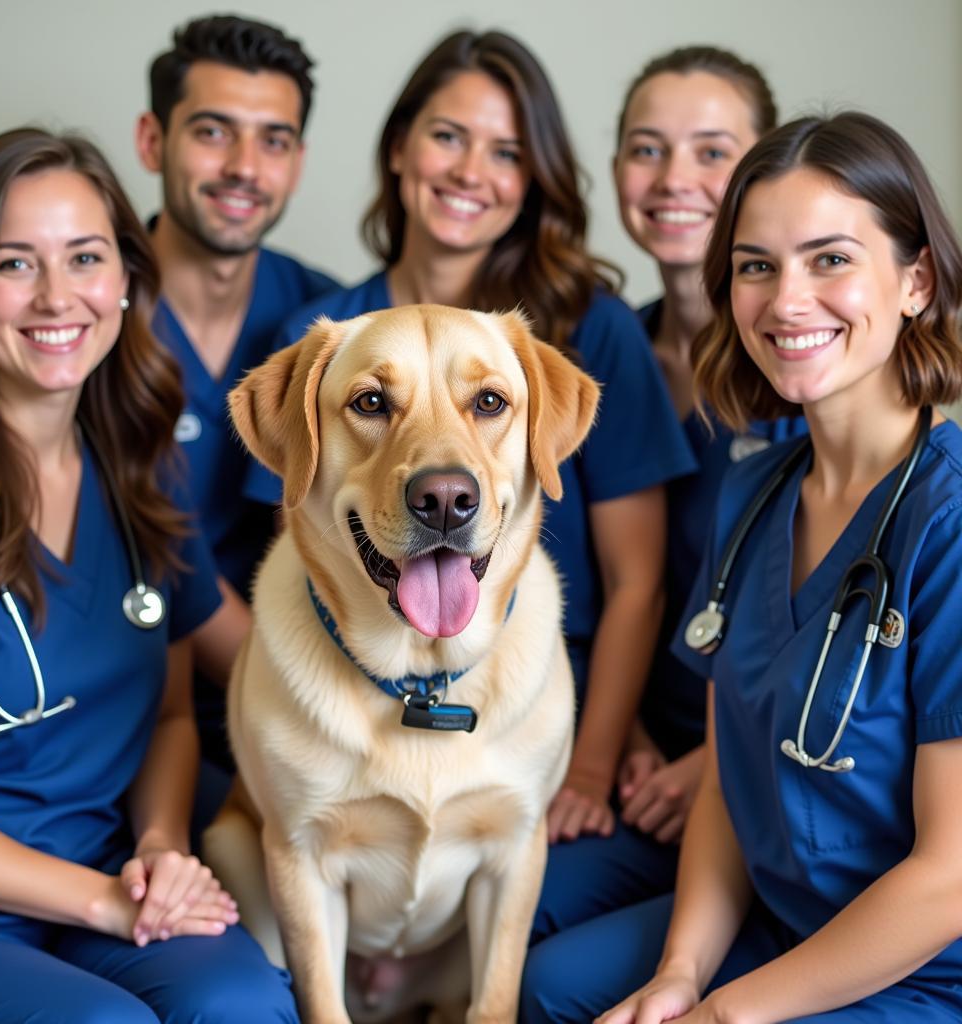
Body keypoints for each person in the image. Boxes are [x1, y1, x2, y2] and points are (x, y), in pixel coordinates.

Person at [522, 111, 962, 1023]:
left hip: (920, 964)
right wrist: (680, 975)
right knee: (552, 989)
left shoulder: (948, 526)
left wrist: (724, 1013)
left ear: (915, 280)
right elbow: (729, 779)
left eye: (830, 259)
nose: (786, 300)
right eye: (757, 266)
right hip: (782, 918)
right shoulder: (754, 491)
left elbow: (950, 879)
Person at [252, 27, 696, 862]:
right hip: (355, 730)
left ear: (533, 179)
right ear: (399, 148)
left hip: (543, 727)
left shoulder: (589, 330)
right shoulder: (324, 335)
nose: (469, 171)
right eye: (448, 136)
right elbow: (304, 550)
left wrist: (590, 767)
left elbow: (638, 582)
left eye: (506, 151)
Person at [0, 128, 299, 1022]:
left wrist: (162, 847)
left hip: (114, 869)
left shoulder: (138, 463)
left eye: (85, 258)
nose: (57, 296)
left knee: (245, 1004)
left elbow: (173, 712)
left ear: (127, 280)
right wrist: (100, 900)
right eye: (14, 263)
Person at [529, 46, 801, 947]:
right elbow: (618, 588)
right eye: (647, 150)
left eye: (712, 152)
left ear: (762, 173)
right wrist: (628, 738)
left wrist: (712, 765)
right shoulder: (595, 361)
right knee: (497, 905)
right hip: (629, 758)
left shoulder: (806, 375)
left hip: (760, 770)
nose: (674, 178)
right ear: (614, 172)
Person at [135, 15, 336, 769]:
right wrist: (304, 694)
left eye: (273, 140)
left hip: (306, 702)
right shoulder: (81, 321)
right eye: (213, 132)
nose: (245, 167)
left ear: (297, 160)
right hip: (144, 705)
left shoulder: (326, 324)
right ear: (153, 140)